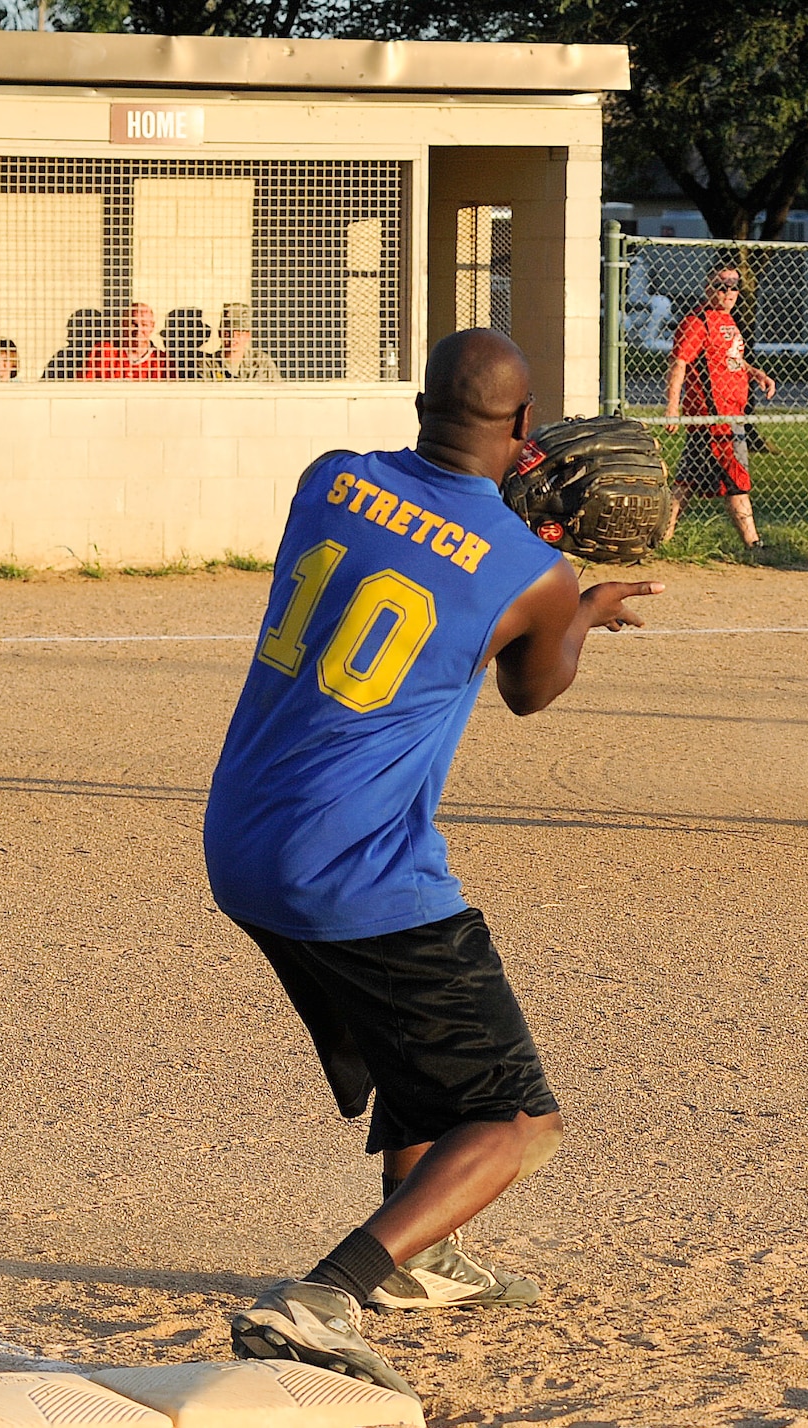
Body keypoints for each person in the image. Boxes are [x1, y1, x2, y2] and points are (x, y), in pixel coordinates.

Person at [204, 328, 661, 1399]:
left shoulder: (330, 480)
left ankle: (422, 1257)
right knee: (514, 1120)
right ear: (517, 425)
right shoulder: (533, 569)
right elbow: (528, 691)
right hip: (356, 868)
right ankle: (330, 1292)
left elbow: (413, 548)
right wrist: (577, 611)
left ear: (419, 406)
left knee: (422, 1043)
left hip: (242, 841)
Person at [664, 266, 776, 548]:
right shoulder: (697, 322)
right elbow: (679, 363)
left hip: (728, 414)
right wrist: (672, 408)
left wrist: (755, 373)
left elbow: (730, 359)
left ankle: (660, 538)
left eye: (734, 285)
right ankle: (754, 545)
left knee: (686, 482)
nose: (728, 292)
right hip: (716, 417)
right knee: (737, 479)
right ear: (707, 288)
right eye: (720, 285)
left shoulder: (726, 320)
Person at [79, 301, 167, 380]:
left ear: (152, 326)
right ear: (123, 324)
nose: (138, 329)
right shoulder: (104, 352)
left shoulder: (161, 361)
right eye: (133, 324)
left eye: (144, 324)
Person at [205, 302, 280, 381]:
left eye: (239, 333)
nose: (233, 337)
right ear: (219, 333)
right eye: (227, 333)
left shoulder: (261, 363)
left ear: (248, 335)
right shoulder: (209, 365)